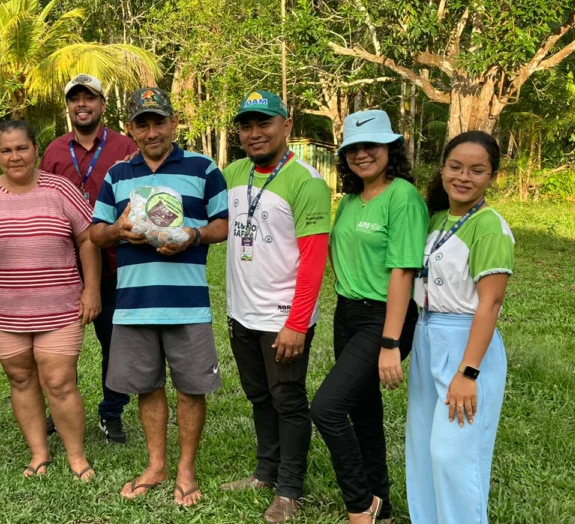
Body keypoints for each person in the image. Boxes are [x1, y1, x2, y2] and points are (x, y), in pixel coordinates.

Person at [89, 87, 229, 507]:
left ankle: (185, 470)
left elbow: (222, 224)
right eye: (142, 123)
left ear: (173, 123)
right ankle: (156, 465)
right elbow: (96, 232)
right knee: (147, 387)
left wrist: (194, 234)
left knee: (190, 388)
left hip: (187, 302)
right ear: (130, 128)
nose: (152, 131)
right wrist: (118, 231)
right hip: (133, 302)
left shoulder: (204, 169)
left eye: (159, 121)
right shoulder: (117, 174)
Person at [0, 120, 101, 482]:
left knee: (60, 382)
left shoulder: (61, 189)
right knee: (20, 379)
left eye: (21, 148)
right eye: (6, 150)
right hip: (3, 310)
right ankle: (39, 454)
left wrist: (91, 289)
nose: (14, 156)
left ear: (36, 149)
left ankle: (76, 456)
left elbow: (87, 239)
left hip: (60, 307)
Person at [310, 109, 428, 523]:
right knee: (363, 411)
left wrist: (391, 343)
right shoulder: (350, 200)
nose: (362, 154)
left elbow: (403, 271)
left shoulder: (403, 197)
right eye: (354, 148)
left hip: (384, 317)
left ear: (390, 149)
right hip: (347, 312)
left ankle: (360, 505)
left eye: (372, 145)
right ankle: (382, 503)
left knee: (326, 408)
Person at [220, 91, 332, 523]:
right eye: (246, 126)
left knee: (288, 399)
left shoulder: (306, 182)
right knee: (258, 396)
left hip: (284, 318)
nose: (254, 133)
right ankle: (265, 473)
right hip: (241, 312)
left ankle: (289, 489)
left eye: (264, 123)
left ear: (286, 126)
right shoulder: (234, 173)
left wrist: (297, 324)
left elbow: (314, 260)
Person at [406, 131, 513, 524]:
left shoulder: (489, 227)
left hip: (465, 341)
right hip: (426, 335)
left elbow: (491, 303)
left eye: (477, 170)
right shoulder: (434, 219)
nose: (463, 177)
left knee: (454, 455)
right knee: (422, 450)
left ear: (492, 177)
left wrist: (468, 372)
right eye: (455, 166)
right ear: (442, 168)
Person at [39, 74, 139, 444]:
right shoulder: (52, 151)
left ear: (102, 104)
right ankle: (60, 407)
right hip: (63, 268)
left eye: (90, 98)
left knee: (116, 343)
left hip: (116, 264)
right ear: (68, 106)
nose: (82, 105)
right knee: (58, 346)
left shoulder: (126, 146)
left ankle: (111, 412)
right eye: (75, 99)